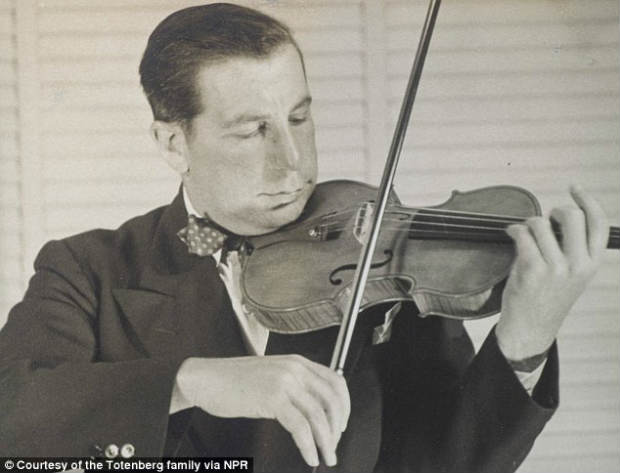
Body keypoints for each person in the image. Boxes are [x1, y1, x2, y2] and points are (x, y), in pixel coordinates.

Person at [0, 3, 609, 472]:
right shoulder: (89, 271)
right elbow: (13, 423)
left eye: (298, 118)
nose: (292, 164)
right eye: (251, 131)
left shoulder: (378, 256)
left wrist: (525, 338)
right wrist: (194, 380)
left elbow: (444, 464)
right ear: (173, 143)